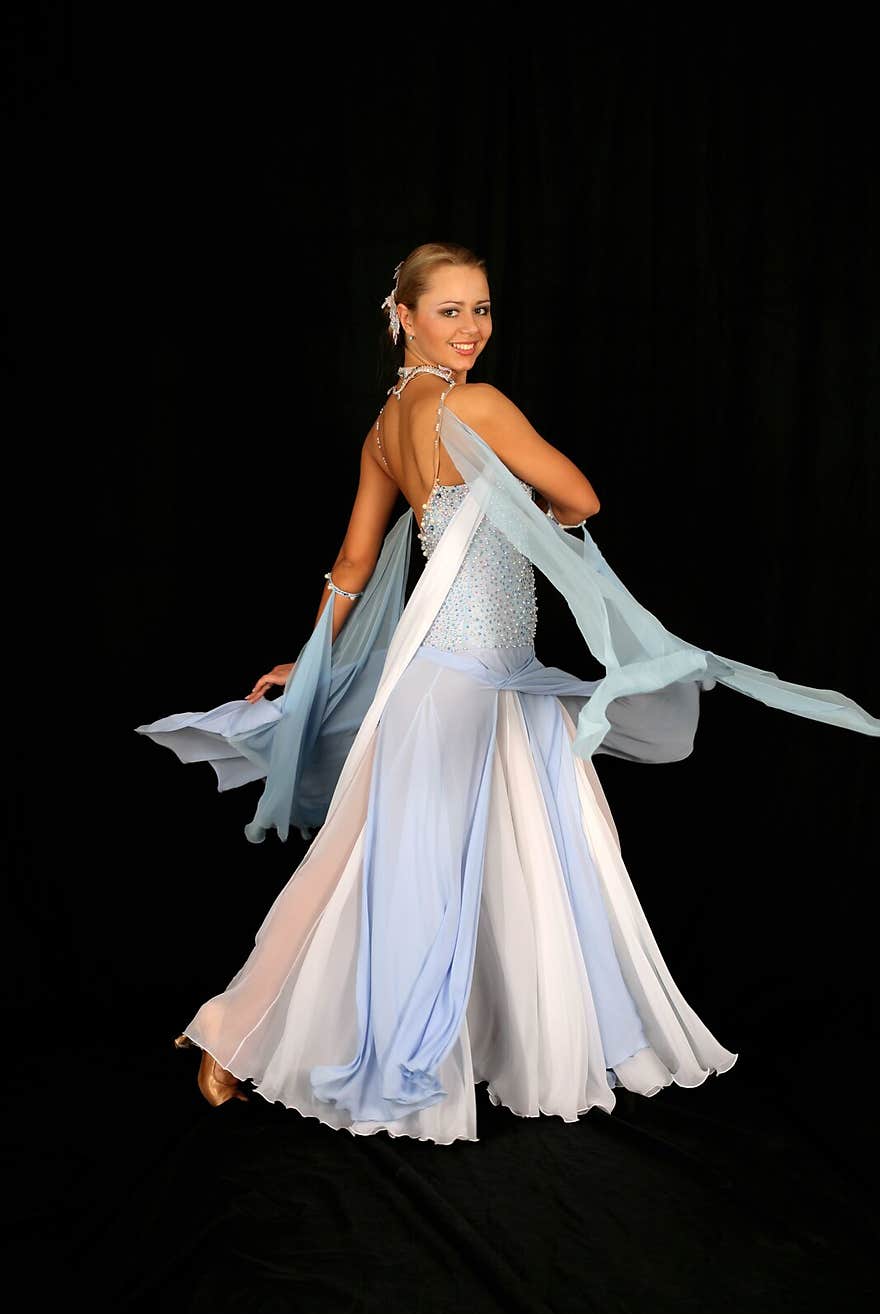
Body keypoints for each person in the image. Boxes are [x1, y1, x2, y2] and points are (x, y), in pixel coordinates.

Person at [135, 241, 879, 1142]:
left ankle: (244, 1036)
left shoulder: (383, 428)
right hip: (467, 685)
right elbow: (580, 498)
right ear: (402, 315)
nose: (473, 330)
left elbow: (352, 569)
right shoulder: (474, 406)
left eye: (482, 310)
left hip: (454, 685)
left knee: (400, 866)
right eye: (450, 310)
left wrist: (312, 656)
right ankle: (247, 1038)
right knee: (438, 868)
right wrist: (534, 517)